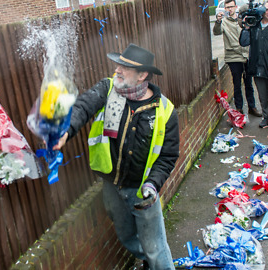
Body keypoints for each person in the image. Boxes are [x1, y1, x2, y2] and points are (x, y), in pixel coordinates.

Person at [54, 44, 179, 269]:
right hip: (111, 186)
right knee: (126, 236)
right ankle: (147, 261)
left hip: (143, 190)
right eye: (118, 64)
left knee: (156, 247)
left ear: (142, 75)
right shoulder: (107, 88)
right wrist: (65, 130)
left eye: (125, 67)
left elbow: (168, 156)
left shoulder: (165, 110)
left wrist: (152, 185)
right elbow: (82, 107)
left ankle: (155, 263)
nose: (117, 70)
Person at [213, 0, 261, 117]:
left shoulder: (244, 19)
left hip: (246, 55)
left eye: (231, 7)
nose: (230, 9)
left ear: (236, 7)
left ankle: (252, 107)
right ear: (225, 9)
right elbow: (216, 32)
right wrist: (218, 21)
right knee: (237, 83)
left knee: (249, 83)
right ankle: (239, 108)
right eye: (227, 7)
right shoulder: (224, 22)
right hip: (233, 57)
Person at [239, 0, 268, 128]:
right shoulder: (254, 25)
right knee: (263, 96)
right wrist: (246, 27)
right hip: (258, 68)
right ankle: (267, 118)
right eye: (267, 10)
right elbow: (243, 42)